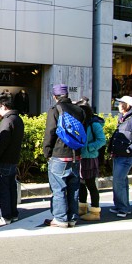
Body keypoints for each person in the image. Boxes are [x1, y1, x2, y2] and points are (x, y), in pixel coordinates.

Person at [42, 84, 86, 228]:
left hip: (59, 155)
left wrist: (47, 152)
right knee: (74, 188)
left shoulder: (55, 110)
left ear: (55, 96)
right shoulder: (79, 110)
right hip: (76, 154)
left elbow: (50, 132)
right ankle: (72, 218)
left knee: (59, 188)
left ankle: (60, 218)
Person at [0, 93, 24, 226]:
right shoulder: (18, 119)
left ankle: (5, 216)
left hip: (4, 160)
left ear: (3, 106)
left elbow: (1, 143)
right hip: (14, 159)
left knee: (3, 189)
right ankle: (13, 214)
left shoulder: (6, 121)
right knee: (11, 188)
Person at [107, 95, 132, 218]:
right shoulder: (123, 118)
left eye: (120, 103)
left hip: (126, 156)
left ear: (127, 106)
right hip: (119, 155)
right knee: (120, 181)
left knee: (119, 181)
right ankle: (120, 206)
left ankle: (124, 208)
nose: (118, 105)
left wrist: (129, 149)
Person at [76, 100, 106, 221]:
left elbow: (101, 140)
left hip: (89, 157)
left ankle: (95, 211)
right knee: (81, 184)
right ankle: (82, 207)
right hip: (81, 157)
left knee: (91, 185)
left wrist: (88, 147)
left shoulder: (94, 124)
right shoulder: (81, 123)